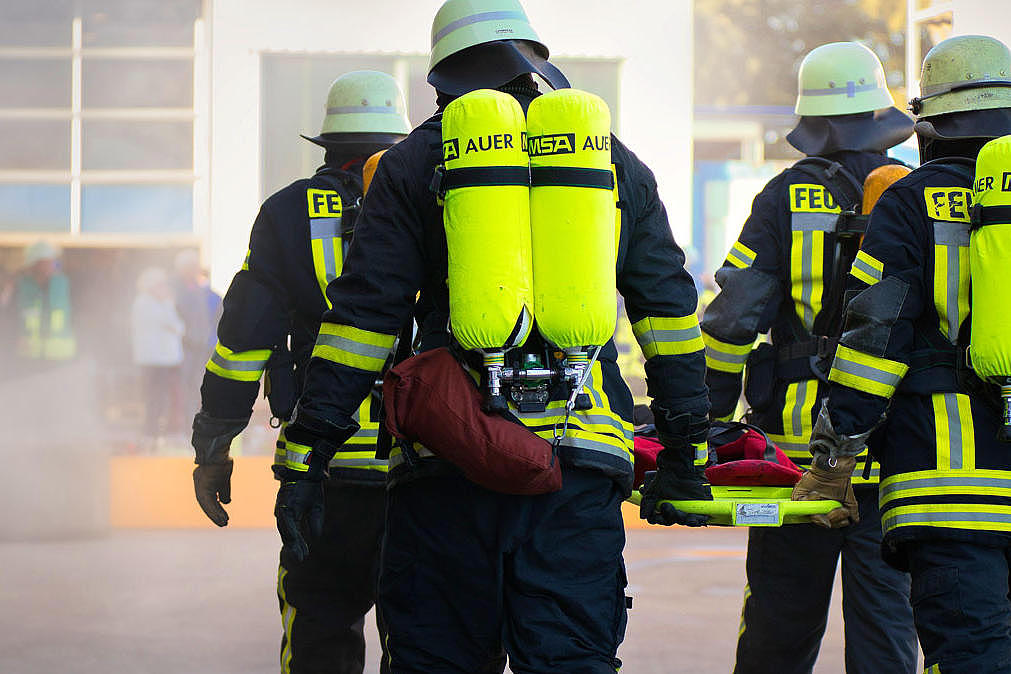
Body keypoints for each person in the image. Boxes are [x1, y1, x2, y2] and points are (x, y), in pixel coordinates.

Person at [276, 1, 711, 671]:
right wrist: (685, 450)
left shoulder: (412, 163)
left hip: (448, 458)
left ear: (442, 75)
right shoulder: (609, 164)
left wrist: (307, 453)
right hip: (577, 461)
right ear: (535, 61)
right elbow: (669, 315)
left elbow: (364, 320)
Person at [793, 35, 1011, 674]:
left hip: (948, 494)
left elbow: (871, 341)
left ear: (932, 126)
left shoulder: (910, 201)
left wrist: (834, 458)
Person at [701, 42, 918, 674]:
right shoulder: (912, 193)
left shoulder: (781, 197)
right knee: (886, 633)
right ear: (879, 115)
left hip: (792, 457)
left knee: (777, 627)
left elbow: (734, 317)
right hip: (891, 447)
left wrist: (707, 421)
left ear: (812, 121)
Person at [190, 71, 411, 674]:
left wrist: (214, 442)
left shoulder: (285, 214)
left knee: (318, 629)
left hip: (322, 470)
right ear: (400, 137)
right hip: (422, 469)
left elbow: (242, 342)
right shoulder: (438, 204)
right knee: (424, 641)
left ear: (327, 144)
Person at [3, 240, 77, 378]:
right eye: (44, 262)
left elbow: (80, 316)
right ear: (33, 264)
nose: (50, 266)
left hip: (61, 360)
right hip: (28, 360)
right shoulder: (19, 287)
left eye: (52, 262)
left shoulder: (65, 285)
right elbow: (7, 318)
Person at [131, 266, 184, 443]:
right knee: (154, 397)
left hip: (165, 360)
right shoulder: (145, 304)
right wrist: (168, 303)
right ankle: (150, 432)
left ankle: (160, 431)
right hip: (154, 360)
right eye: (161, 285)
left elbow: (179, 328)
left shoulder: (158, 304)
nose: (165, 289)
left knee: (163, 396)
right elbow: (174, 325)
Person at [174, 249, 215, 430]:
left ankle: (196, 424)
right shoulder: (179, 290)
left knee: (197, 387)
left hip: (200, 346)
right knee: (185, 388)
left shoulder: (198, 290)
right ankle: (185, 426)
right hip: (185, 347)